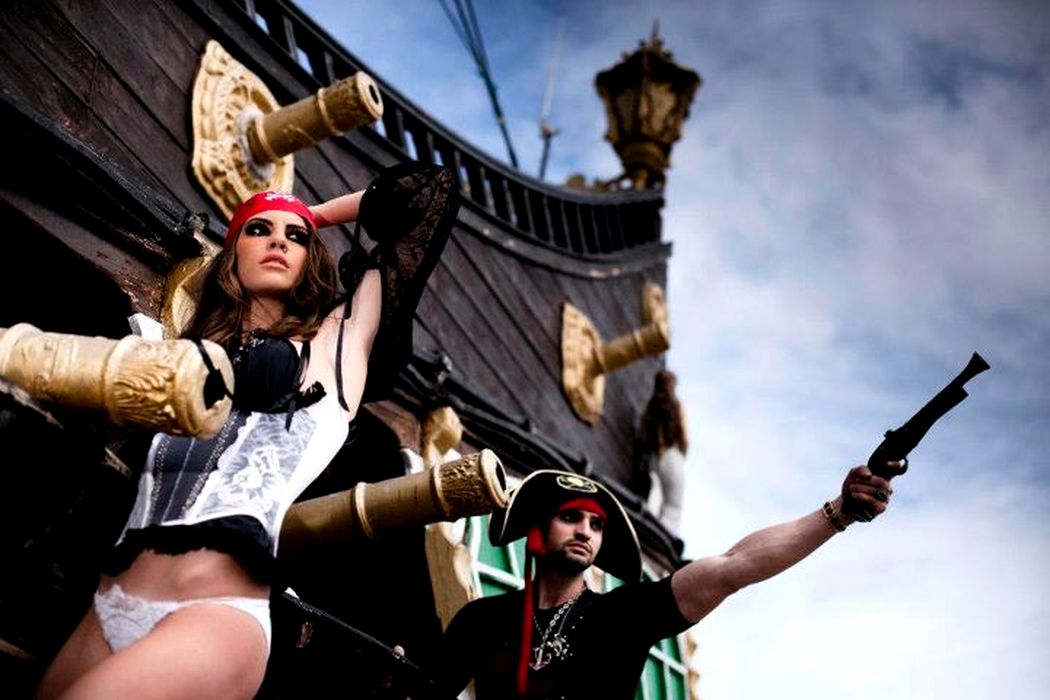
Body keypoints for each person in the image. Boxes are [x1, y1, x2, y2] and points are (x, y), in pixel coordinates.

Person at [34, 161, 459, 699]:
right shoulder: (185, 357)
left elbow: (431, 192)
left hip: (213, 613)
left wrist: (309, 214)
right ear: (232, 251)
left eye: (295, 237)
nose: (278, 240)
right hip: (108, 604)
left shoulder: (334, 348)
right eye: (259, 230)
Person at [435, 462, 903, 699]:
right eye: (570, 517)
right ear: (538, 530)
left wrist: (838, 513)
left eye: (596, 525)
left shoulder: (623, 614)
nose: (585, 531)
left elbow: (734, 566)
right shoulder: (482, 620)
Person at [637, 369, 688, 534]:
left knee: (655, 494)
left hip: (655, 457)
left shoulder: (651, 407)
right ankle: (665, 538)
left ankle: (647, 529)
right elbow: (685, 437)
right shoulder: (677, 407)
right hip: (672, 456)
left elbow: (643, 433)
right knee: (673, 506)